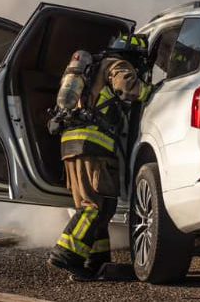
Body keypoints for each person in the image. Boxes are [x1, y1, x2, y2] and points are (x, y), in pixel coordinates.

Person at [48, 34, 151, 280]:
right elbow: (127, 86)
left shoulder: (92, 69)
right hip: (93, 145)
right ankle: (65, 255)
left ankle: (96, 261)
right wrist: (151, 91)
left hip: (74, 144)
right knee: (93, 207)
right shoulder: (117, 64)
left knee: (104, 206)